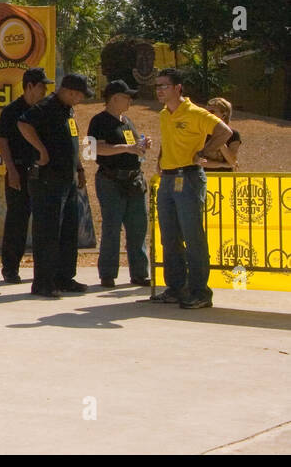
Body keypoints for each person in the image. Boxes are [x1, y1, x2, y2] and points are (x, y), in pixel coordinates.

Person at [152, 69, 232, 309]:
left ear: (178, 88)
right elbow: (167, 142)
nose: (159, 90)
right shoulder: (164, 114)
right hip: (167, 179)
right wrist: (160, 160)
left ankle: (200, 291)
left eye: (164, 86)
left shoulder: (196, 113)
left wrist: (204, 153)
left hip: (188, 177)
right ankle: (176, 287)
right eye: (157, 86)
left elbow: (224, 132)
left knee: (192, 236)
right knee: (169, 237)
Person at [18, 73, 93, 298]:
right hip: (47, 180)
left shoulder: (67, 111)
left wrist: (78, 168)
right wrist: (41, 150)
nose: (80, 99)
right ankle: (43, 282)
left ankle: (64, 277)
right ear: (69, 91)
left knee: (68, 232)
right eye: (79, 95)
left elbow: (70, 143)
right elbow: (23, 123)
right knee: (48, 233)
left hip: (67, 179)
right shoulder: (47, 106)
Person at [90, 80, 152, 288]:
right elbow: (94, 150)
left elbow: (134, 147)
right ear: (114, 98)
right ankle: (107, 274)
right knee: (111, 227)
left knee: (138, 227)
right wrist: (127, 148)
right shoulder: (98, 121)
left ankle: (140, 273)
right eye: (126, 97)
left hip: (134, 179)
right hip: (110, 180)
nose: (130, 101)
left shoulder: (127, 121)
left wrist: (141, 146)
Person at [0, 67, 55, 283]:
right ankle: (10, 268)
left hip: (42, 172)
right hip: (19, 170)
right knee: (17, 221)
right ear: (29, 86)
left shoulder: (44, 111)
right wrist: (11, 170)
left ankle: (45, 270)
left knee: (45, 222)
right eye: (42, 86)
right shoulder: (11, 111)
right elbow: (3, 142)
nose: (45, 91)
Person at [199, 97, 241, 171]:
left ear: (224, 115)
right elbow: (199, 161)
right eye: (206, 112)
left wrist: (220, 138)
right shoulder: (201, 133)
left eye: (212, 112)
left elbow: (232, 162)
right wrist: (223, 164)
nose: (207, 115)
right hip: (204, 177)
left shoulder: (234, 134)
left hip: (225, 178)